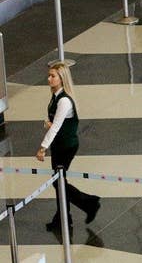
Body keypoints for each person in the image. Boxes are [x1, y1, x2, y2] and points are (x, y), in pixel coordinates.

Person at [36, 63, 101, 232]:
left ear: (61, 78)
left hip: (66, 146)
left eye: (53, 76)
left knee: (58, 182)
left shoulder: (64, 100)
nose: (49, 79)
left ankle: (89, 203)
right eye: (49, 75)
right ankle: (65, 217)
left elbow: (56, 126)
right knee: (59, 181)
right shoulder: (56, 96)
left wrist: (43, 147)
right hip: (59, 145)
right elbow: (56, 123)